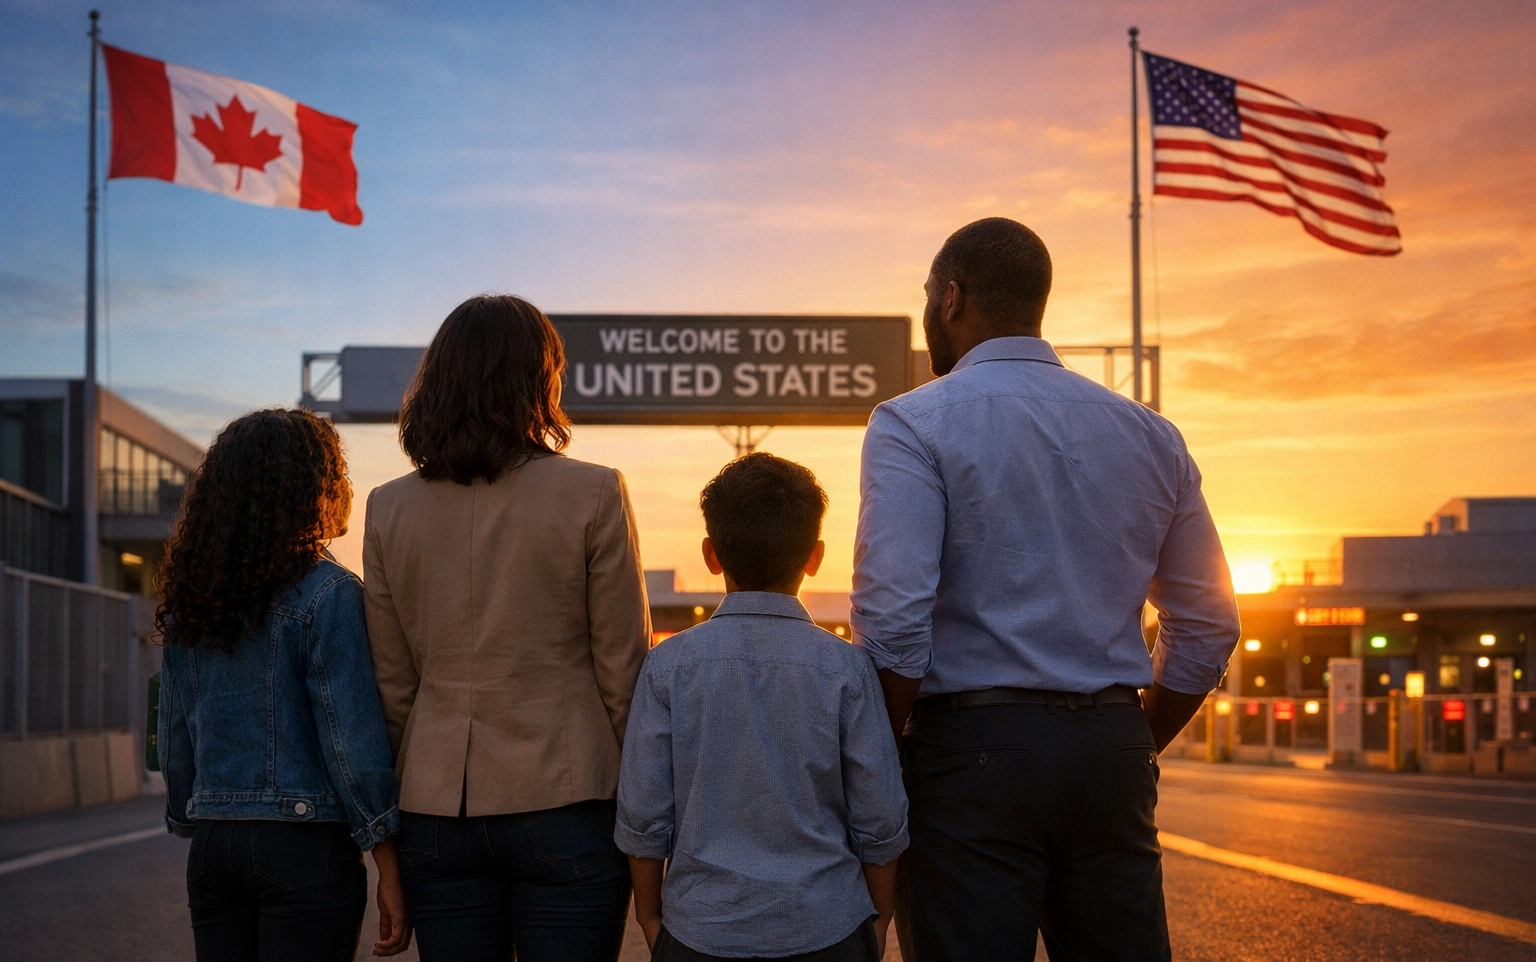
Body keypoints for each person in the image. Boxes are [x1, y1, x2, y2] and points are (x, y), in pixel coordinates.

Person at [851, 218, 1242, 961]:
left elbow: (896, 623)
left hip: (969, 754)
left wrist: (879, 761)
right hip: (1111, 747)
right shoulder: (1152, 434)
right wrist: (1135, 739)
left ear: (953, 298)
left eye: (932, 295)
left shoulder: (912, 423)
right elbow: (1209, 622)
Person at [363, 294, 650, 961]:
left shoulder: (389, 507)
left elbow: (392, 688)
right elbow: (622, 672)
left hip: (437, 808)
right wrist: (649, 818)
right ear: (541, 379)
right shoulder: (594, 491)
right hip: (569, 795)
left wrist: (393, 828)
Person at [617, 453, 909, 962]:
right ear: (815, 556)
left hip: (699, 930)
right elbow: (880, 816)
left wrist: (649, 916)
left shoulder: (667, 668)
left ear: (712, 554)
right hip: (827, 927)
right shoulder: (847, 670)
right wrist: (878, 920)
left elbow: (644, 814)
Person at [157, 408, 410, 961]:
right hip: (303, 847)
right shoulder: (329, 594)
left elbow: (175, 733)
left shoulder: (192, 603)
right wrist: (387, 861)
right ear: (310, 491)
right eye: (337, 473)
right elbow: (351, 746)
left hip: (213, 847)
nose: (345, 485)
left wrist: (191, 815)